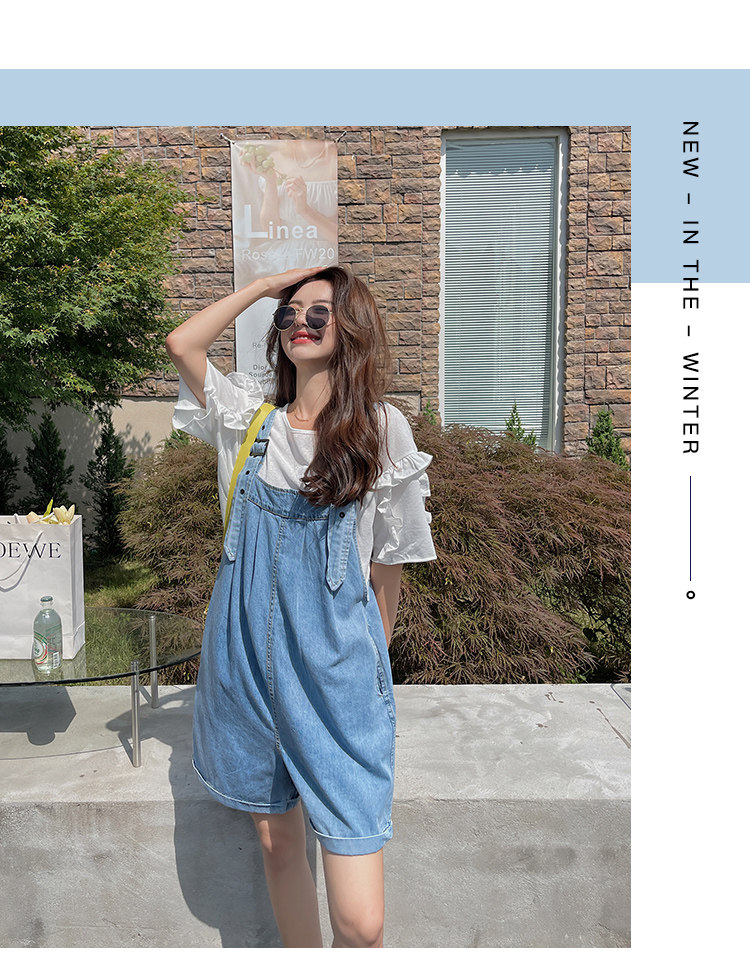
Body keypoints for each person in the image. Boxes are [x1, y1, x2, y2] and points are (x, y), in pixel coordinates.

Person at [166, 264, 437, 947]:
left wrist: (369, 660)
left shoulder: (381, 429)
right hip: (243, 664)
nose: (300, 323)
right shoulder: (247, 420)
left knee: (362, 923)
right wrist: (264, 288)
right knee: (277, 842)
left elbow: (390, 563)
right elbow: (182, 343)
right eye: (289, 314)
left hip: (336, 669)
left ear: (352, 326)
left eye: (319, 312)